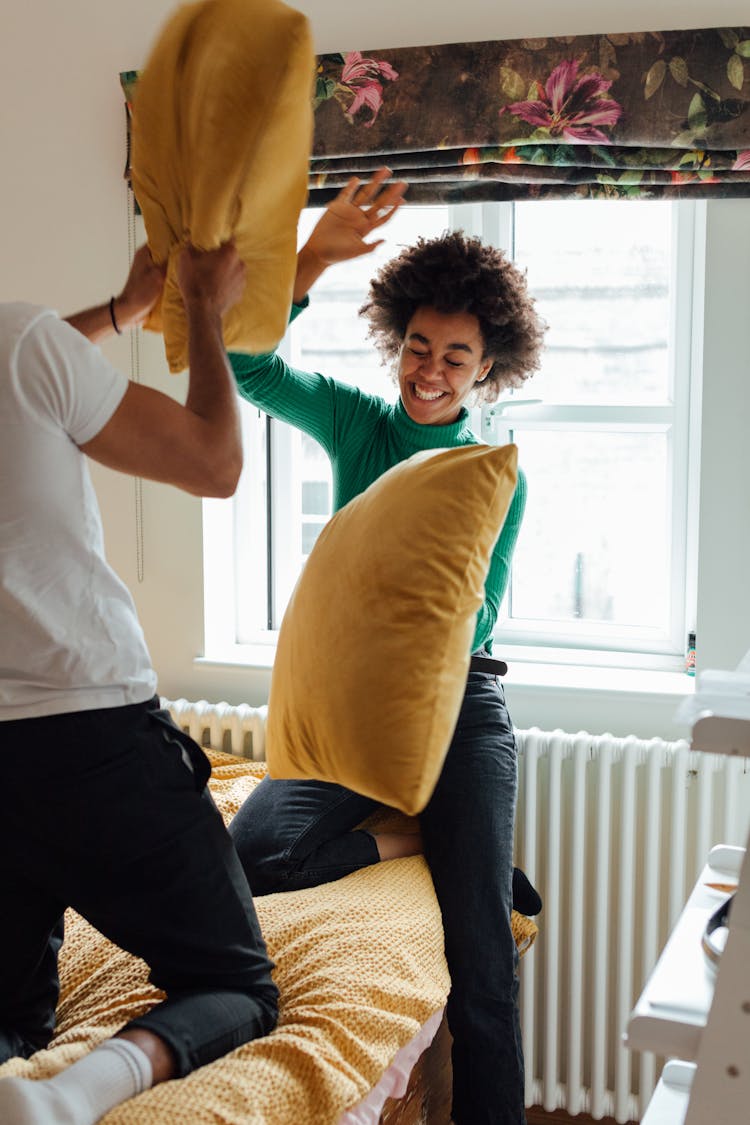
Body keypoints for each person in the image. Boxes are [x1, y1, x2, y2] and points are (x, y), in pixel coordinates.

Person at [226, 169, 547, 1125]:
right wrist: (310, 260)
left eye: (456, 356)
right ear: (395, 341)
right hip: (354, 709)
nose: (430, 371)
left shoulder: (492, 472)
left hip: (461, 708)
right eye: (417, 347)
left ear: (486, 367)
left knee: (484, 970)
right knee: (250, 860)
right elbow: (248, 368)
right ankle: (399, 834)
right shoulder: (359, 425)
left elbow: (476, 616)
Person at [0, 242, 279, 1125]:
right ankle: (73, 1096)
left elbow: (33, 361)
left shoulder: (30, 348)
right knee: (235, 981)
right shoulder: (24, 346)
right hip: (93, 737)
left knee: (11, 1013)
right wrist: (202, 306)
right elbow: (214, 463)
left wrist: (121, 314)